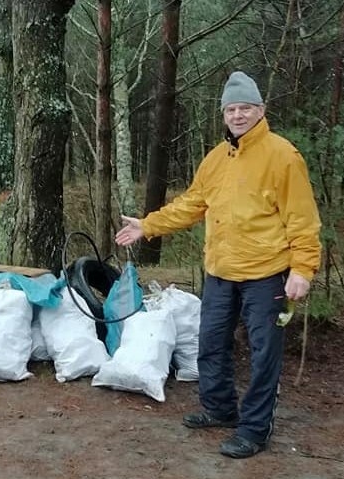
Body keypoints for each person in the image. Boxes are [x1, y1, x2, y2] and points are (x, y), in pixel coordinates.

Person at [115, 71, 321, 459]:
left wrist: (302, 269)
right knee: (210, 343)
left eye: (246, 108)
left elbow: (302, 219)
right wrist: (148, 225)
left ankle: (255, 429)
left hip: (266, 273)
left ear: (261, 110)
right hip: (221, 271)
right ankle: (220, 408)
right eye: (231, 109)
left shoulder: (283, 156)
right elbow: (192, 204)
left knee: (263, 354)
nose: (238, 115)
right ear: (224, 114)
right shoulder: (216, 159)